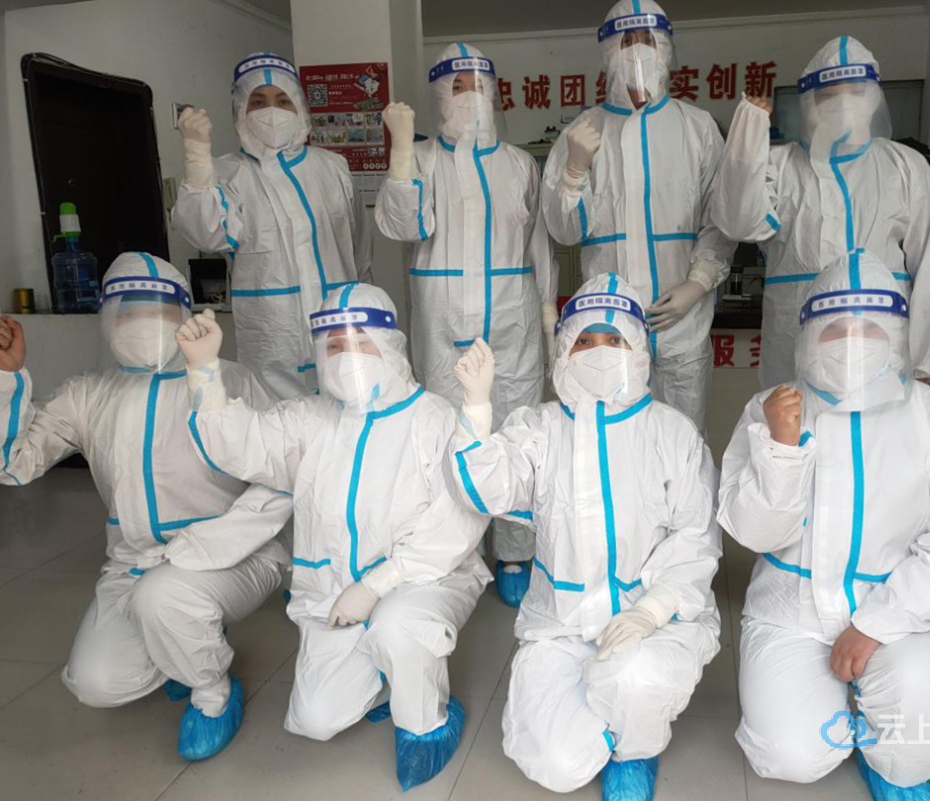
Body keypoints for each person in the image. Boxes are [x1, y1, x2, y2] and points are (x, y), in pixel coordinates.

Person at [175, 282, 490, 790]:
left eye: (360, 342)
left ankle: (429, 720)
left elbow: (459, 522)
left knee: (399, 626)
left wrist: (377, 585)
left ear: (389, 345)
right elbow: (244, 447)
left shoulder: (433, 418)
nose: (347, 358)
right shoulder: (311, 418)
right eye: (334, 346)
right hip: (335, 588)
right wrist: (204, 371)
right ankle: (388, 675)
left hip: (424, 579)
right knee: (317, 719)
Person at [716, 252, 930, 800]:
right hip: (791, 607)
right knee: (790, 756)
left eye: (869, 328)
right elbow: (753, 532)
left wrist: (876, 624)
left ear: (896, 335)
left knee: (920, 730)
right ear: (808, 337)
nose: (852, 342)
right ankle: (844, 710)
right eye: (835, 329)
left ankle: (880, 742)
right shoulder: (770, 410)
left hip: (901, 610)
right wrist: (781, 449)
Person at [0, 252, 291, 761]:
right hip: (134, 562)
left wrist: (203, 548)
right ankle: (183, 639)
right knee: (95, 681)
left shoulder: (229, 382)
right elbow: (14, 464)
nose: (141, 322)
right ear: (108, 319)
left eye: (156, 310)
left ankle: (213, 692)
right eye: (128, 311)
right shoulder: (88, 395)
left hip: (238, 556)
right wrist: (7, 378)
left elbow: (282, 481)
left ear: (183, 314)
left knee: (166, 597)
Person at [446, 273, 722, 801]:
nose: (598, 351)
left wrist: (652, 611)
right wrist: (477, 412)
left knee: (636, 678)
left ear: (639, 348)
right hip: (562, 620)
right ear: (563, 351)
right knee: (552, 763)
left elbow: (695, 535)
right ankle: (611, 718)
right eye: (584, 341)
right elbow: (486, 490)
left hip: (652, 615)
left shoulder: (672, 433)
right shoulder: (538, 426)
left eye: (614, 339)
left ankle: (635, 748)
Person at [375, 42, 558, 607]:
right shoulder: (421, 158)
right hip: (441, 324)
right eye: (457, 86)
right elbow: (404, 226)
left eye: (480, 85)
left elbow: (539, 243)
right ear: (438, 95)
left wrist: (548, 310)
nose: (471, 95)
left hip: (512, 320)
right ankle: (454, 548)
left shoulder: (520, 164)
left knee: (514, 429)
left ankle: (515, 551)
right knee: (444, 434)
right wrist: (400, 151)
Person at [712, 35, 930, 389]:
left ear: (873, 97)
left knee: (878, 419)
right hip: (795, 332)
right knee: (795, 418)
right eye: (829, 94)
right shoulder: (780, 165)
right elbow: (738, 223)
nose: (842, 103)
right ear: (809, 102)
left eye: (855, 91)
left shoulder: (903, 165)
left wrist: (927, 358)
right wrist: (747, 142)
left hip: (881, 331)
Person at [541, 0, 735, 434]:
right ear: (607, 52)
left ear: (666, 48)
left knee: (683, 438)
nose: (638, 50)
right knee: (612, 438)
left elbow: (720, 218)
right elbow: (564, 231)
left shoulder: (697, 128)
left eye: (648, 39)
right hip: (608, 326)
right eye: (626, 41)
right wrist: (573, 172)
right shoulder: (582, 130)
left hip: (682, 323)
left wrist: (697, 283)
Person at [172, 52, 372, 400]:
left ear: (300, 108)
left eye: (282, 100)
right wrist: (197, 158)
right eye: (258, 102)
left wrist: (365, 304)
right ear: (240, 110)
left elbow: (359, 246)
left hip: (340, 319)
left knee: (349, 408)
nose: (271, 111)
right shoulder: (225, 172)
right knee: (275, 418)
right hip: (272, 332)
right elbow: (206, 234)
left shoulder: (332, 167)